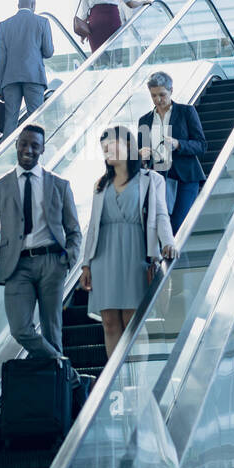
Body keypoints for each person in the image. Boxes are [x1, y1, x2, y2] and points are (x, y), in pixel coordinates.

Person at [0, 124, 82, 364]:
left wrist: (68, 259)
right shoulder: (0, 186)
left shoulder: (59, 185)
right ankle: (69, 375)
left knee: (52, 332)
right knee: (20, 329)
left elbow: (74, 230)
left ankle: (57, 395)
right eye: (24, 144)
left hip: (52, 263)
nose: (28, 150)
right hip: (16, 266)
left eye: (35, 146)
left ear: (42, 149)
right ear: (16, 145)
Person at [79, 125, 176, 359]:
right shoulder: (100, 184)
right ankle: (117, 380)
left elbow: (161, 213)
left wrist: (168, 242)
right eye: (103, 148)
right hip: (104, 256)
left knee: (133, 321)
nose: (106, 151)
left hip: (136, 253)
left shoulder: (151, 180)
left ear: (129, 146)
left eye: (111, 145)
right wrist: (86, 265)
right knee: (110, 322)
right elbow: (93, 226)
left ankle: (137, 378)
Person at [137, 70, 207, 233]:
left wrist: (178, 144)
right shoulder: (144, 120)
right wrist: (141, 155)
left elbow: (201, 145)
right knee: (162, 227)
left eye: (162, 94)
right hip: (159, 179)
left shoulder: (186, 112)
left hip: (186, 178)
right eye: (153, 95)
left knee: (177, 226)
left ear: (171, 91)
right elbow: (141, 161)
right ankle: (171, 258)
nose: (158, 100)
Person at [0, 0, 54, 130]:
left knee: (10, 121)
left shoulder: (4, 25)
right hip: (34, 77)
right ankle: (36, 151)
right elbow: (48, 52)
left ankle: (4, 151)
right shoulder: (42, 22)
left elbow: (1, 59)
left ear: (18, 5)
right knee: (36, 120)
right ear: (33, 5)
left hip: (10, 79)